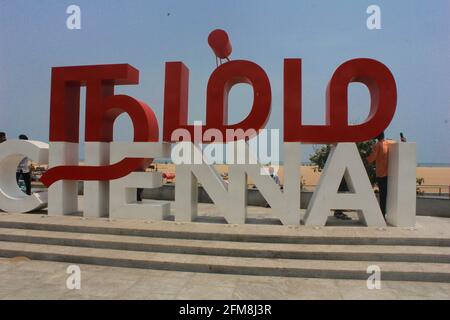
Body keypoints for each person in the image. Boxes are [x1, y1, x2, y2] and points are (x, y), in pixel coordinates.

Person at [367, 132, 395, 218]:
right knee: (385, 195)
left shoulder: (377, 145)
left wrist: (365, 160)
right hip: (389, 174)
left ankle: (382, 214)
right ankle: (383, 213)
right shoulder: (388, 143)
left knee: (382, 195)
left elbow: (372, 158)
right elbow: (397, 143)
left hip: (381, 174)